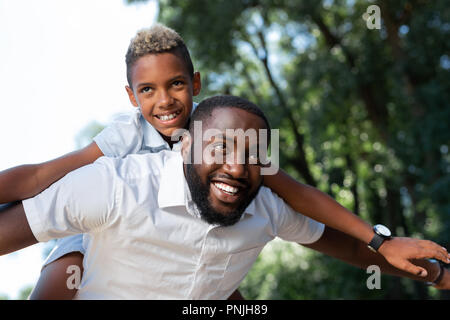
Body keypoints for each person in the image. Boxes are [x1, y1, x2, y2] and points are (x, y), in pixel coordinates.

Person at [0, 26, 448, 299]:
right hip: (101, 233)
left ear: (194, 83)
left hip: (200, 244)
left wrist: (380, 242)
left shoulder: (226, 135)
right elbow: (42, 176)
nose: (164, 101)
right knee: (65, 272)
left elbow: (299, 195)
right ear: (132, 97)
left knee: (222, 280)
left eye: (175, 84)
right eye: (147, 91)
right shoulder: (119, 156)